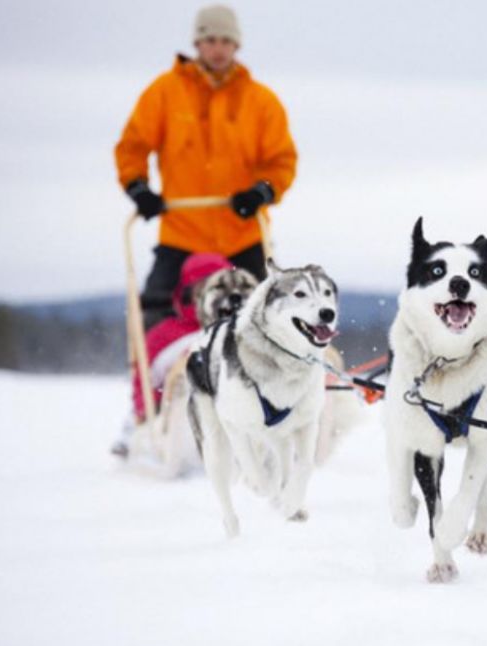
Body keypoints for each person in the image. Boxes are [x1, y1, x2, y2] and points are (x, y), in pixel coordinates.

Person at [115, 4, 296, 329]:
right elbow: (133, 146)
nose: (218, 48)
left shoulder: (261, 101)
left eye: (226, 41)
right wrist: (138, 188)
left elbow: (281, 160)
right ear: (197, 44)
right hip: (181, 232)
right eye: (210, 40)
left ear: (236, 46)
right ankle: (156, 375)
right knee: (156, 312)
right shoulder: (164, 93)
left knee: (271, 313)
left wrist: (262, 191)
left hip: (243, 233)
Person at [114, 253, 233, 458]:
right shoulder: (163, 335)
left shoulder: (241, 329)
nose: (210, 297)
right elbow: (143, 381)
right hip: (176, 411)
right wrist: (144, 412)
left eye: (218, 289)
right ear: (189, 292)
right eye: (203, 288)